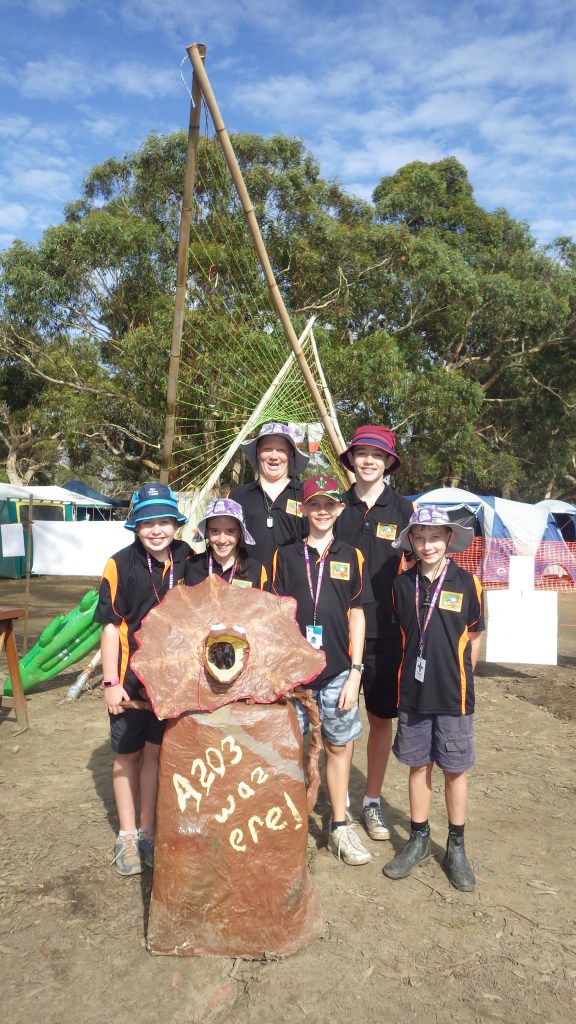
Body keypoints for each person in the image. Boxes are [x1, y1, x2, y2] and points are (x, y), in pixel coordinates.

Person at [271, 475, 374, 866]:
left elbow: (358, 616)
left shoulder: (352, 555)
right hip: (294, 676)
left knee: (337, 746)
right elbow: (273, 616)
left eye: (329, 504)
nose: (322, 511)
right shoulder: (284, 556)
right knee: (290, 751)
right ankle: (288, 825)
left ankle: (339, 824)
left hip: (337, 674)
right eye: (314, 504)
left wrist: (356, 673)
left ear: (339, 509)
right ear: (303, 508)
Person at [382, 506, 484, 891]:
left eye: (436, 537)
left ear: (449, 539)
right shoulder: (401, 585)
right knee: (418, 765)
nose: (428, 545)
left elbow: (474, 635)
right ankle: (419, 838)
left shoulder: (468, 583)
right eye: (421, 537)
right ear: (410, 540)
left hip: (455, 696)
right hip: (413, 693)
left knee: (455, 769)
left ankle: (456, 847)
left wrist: (461, 676)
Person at [94, 483, 190, 876]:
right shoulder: (119, 564)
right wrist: (110, 683)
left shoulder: (188, 558)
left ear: (176, 524)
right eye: (148, 522)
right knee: (127, 757)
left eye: (164, 521)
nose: (156, 530)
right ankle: (127, 834)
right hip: (129, 682)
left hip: (171, 683)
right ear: (135, 525)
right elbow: (109, 626)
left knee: (155, 754)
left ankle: (148, 830)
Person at [336, 425, 413, 842]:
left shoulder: (404, 510)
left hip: (386, 634)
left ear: (388, 463)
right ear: (350, 459)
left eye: (377, 455)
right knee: (341, 719)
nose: (368, 461)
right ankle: (341, 806)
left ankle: (371, 800)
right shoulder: (334, 505)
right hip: (339, 633)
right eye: (362, 453)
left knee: (380, 720)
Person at [229, 422, 309, 577]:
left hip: (294, 583)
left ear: (290, 454)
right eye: (267, 449)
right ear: (258, 452)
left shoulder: (306, 496)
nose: (274, 456)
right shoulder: (237, 496)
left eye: (281, 450)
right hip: (247, 583)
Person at [186, 497, 267, 589]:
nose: (222, 540)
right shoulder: (190, 566)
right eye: (214, 531)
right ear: (206, 532)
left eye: (230, 531)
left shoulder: (256, 570)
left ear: (240, 533)